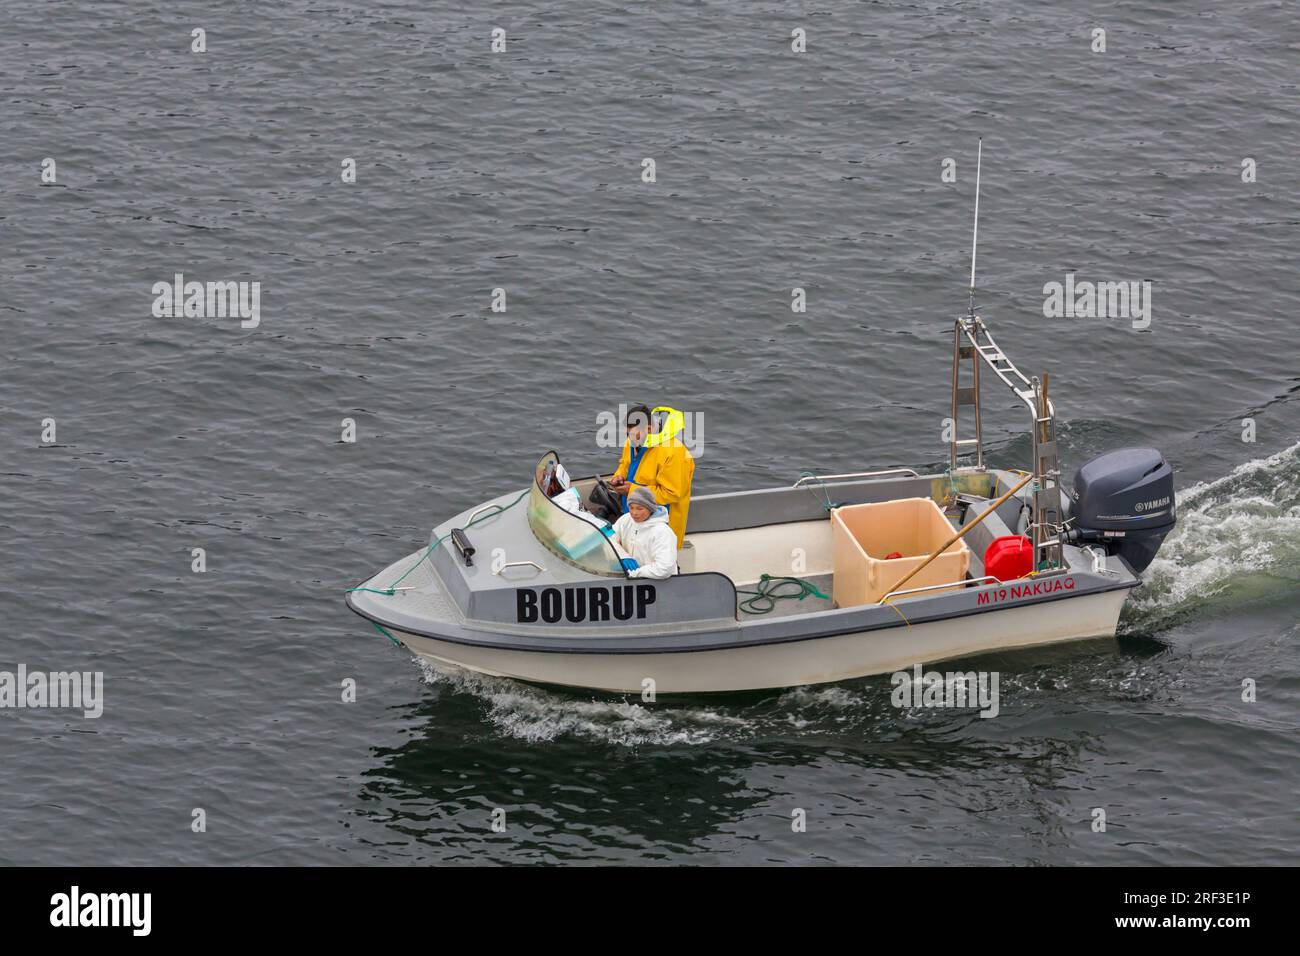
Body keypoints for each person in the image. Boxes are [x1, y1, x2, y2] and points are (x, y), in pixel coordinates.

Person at [609, 404, 695, 549]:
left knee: (660, 562)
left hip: (661, 523)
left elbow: (671, 493)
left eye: (633, 435)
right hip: (634, 514)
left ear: (648, 429)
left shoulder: (673, 453)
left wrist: (631, 490)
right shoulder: (633, 440)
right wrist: (619, 477)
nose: (630, 439)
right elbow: (625, 464)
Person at [612, 486, 678, 579]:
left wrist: (635, 572)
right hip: (632, 581)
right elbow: (609, 538)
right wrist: (622, 556)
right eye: (631, 508)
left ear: (650, 509)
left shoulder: (662, 532)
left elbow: (664, 568)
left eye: (639, 509)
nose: (634, 513)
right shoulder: (626, 520)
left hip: (658, 585)